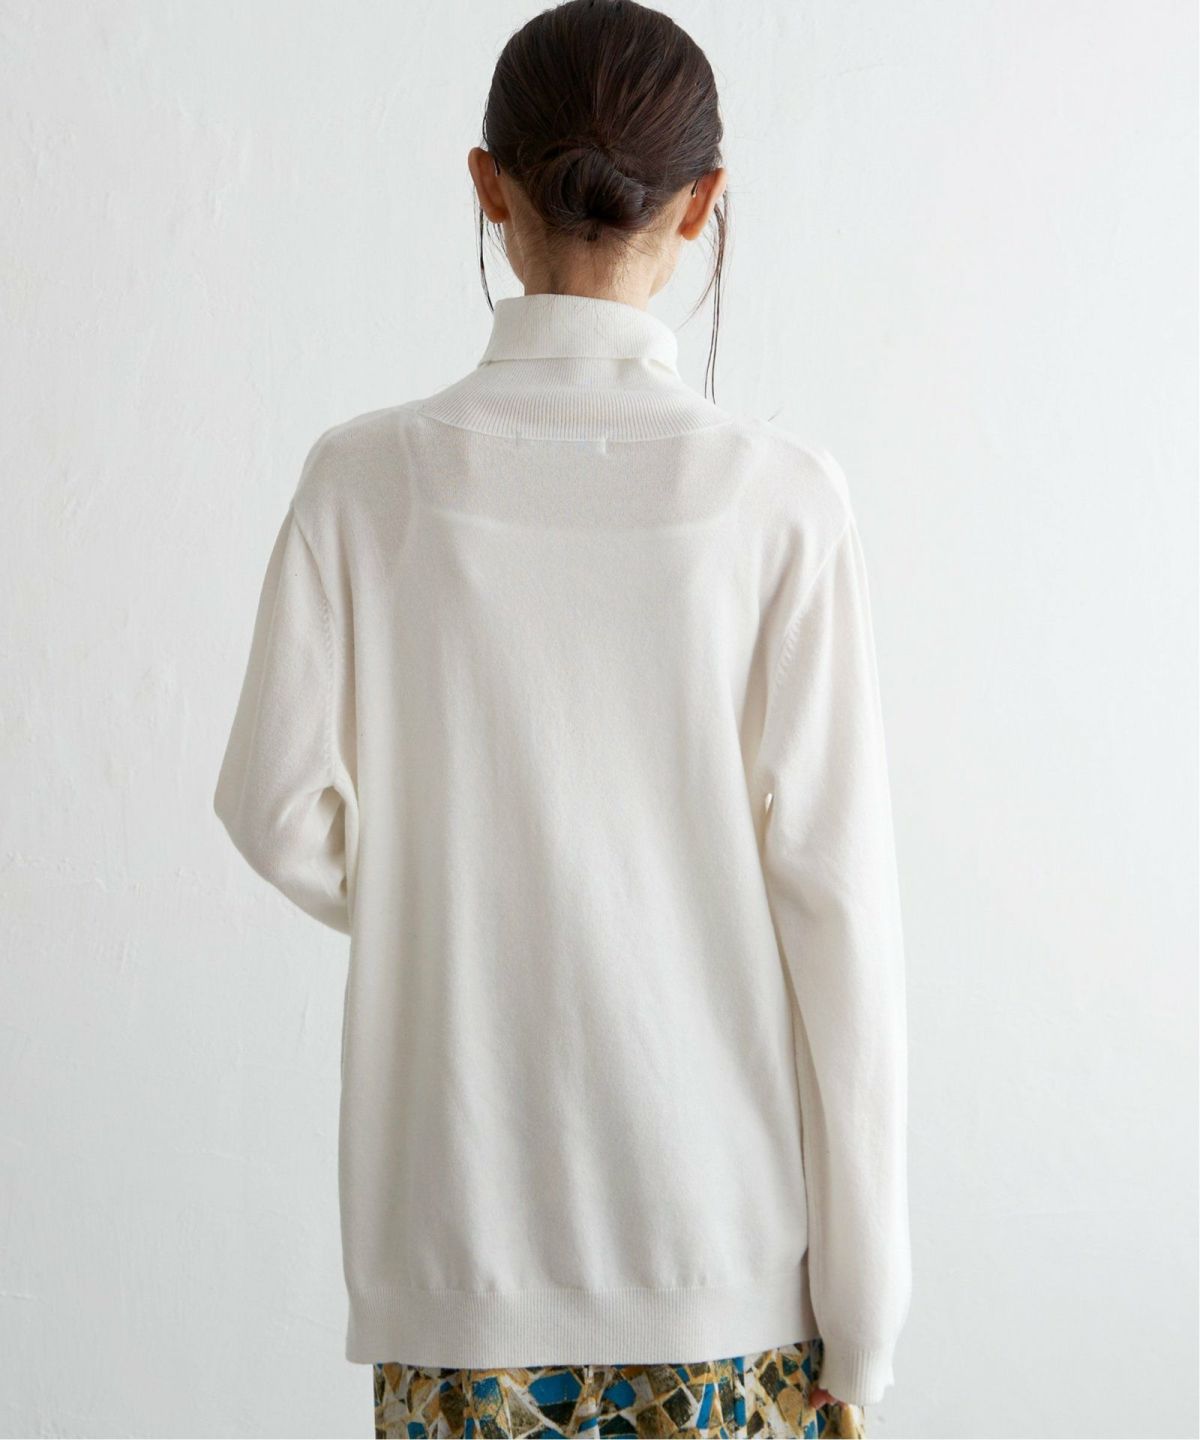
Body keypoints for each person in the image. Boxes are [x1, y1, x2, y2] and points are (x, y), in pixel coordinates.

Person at [212, 1, 911, 1434]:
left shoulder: (365, 479)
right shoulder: (782, 499)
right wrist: (866, 1315)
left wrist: (448, 893)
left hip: (457, 1269)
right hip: (725, 1267)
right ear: (703, 206)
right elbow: (837, 913)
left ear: (490, 187)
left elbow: (272, 805)